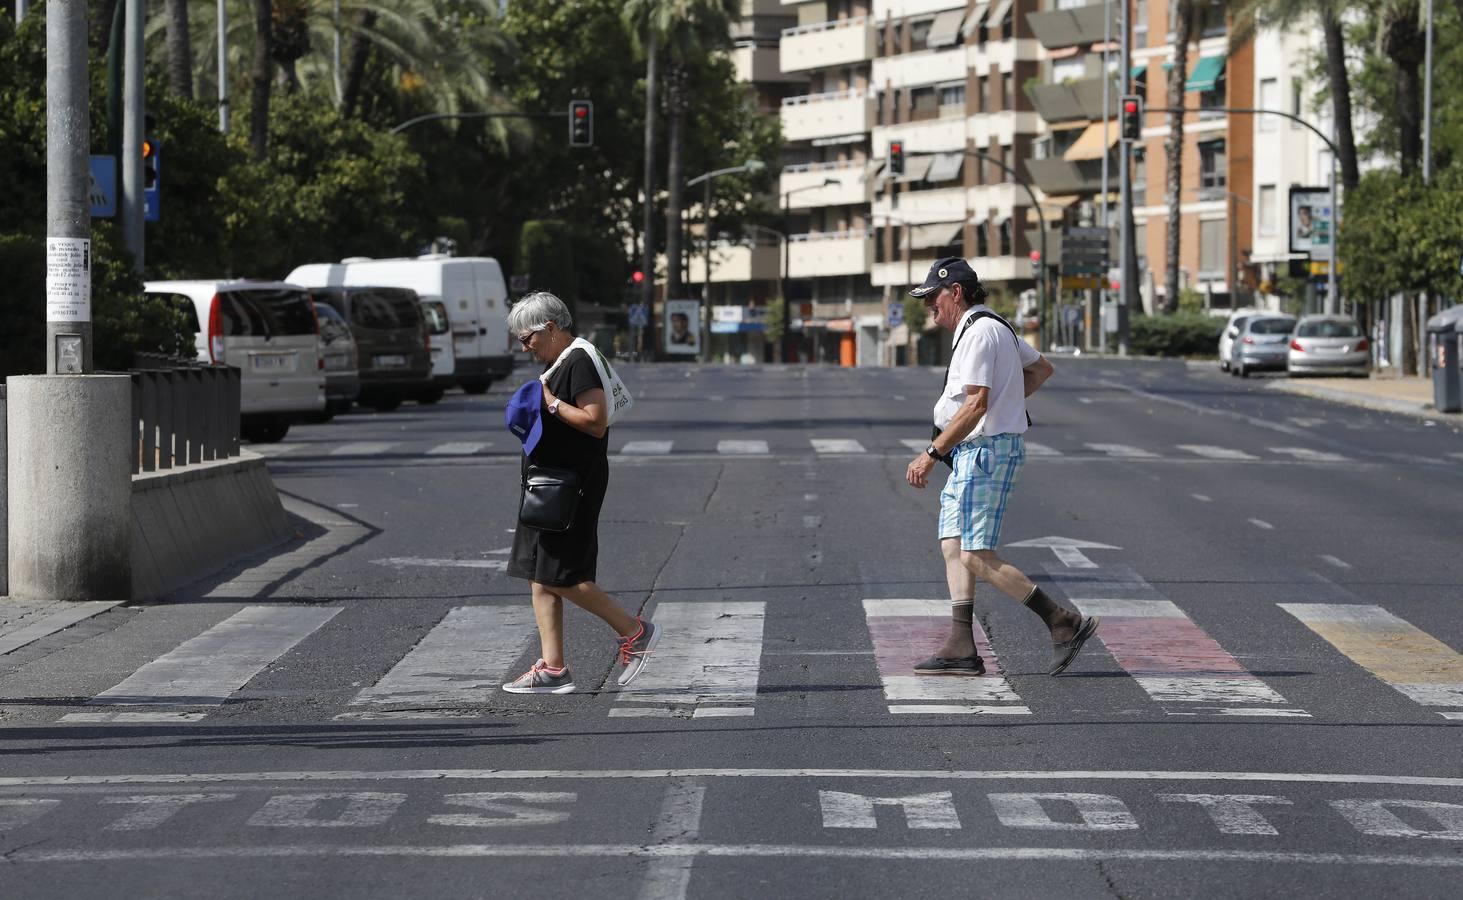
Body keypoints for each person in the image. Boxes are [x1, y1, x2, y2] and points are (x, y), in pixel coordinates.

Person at [903, 258, 1098, 676]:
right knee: (953, 544)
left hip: (985, 451)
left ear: (955, 293)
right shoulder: (990, 326)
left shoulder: (980, 332)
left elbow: (975, 403)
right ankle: (960, 645)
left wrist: (931, 453)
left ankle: (1062, 621)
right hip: (976, 450)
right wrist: (1008, 404)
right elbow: (1041, 369)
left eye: (932, 298)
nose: (928, 307)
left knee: (975, 555)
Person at [502, 291, 659, 693]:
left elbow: (595, 421)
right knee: (540, 573)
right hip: (551, 485)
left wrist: (551, 403)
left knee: (564, 575)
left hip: (570, 488)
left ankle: (634, 631)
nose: (524, 347)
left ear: (550, 328)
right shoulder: (564, 358)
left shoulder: (578, 360)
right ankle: (554, 668)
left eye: (527, 338)